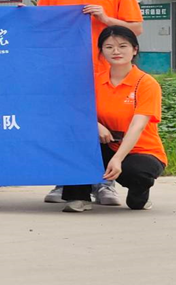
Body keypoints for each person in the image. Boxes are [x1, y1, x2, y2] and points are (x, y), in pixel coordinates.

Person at [37, 0, 143, 206]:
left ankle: (105, 183)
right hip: (66, 72)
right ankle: (67, 181)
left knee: (107, 124)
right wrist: (23, 15)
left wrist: (106, 18)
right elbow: (40, 27)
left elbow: (136, 28)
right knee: (67, 124)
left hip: (108, 72)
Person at [61, 26, 167, 212]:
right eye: (109, 47)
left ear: (134, 50)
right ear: (101, 51)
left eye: (122, 46)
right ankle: (79, 196)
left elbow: (137, 126)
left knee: (136, 171)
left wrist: (117, 159)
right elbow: (76, 111)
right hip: (106, 145)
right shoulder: (93, 81)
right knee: (75, 143)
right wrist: (95, 125)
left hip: (141, 151)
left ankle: (139, 195)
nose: (116, 51)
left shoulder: (146, 84)